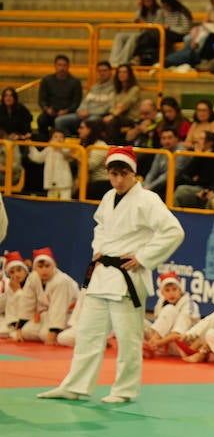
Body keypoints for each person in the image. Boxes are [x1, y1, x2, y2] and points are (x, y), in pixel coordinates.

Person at [37, 147, 185, 404]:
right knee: (87, 334)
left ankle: (125, 390)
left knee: (128, 339)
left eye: (122, 174)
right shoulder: (108, 197)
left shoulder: (147, 200)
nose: (117, 179)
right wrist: (98, 250)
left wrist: (144, 258)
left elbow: (174, 231)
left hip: (128, 278)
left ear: (133, 174)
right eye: (113, 174)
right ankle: (75, 386)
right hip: (102, 274)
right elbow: (101, 227)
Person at [19, 248, 78, 345]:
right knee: (26, 332)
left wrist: (53, 333)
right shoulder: (33, 278)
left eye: (47, 266)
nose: (44, 270)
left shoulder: (61, 281)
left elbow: (59, 308)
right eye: (40, 267)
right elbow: (27, 302)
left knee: (45, 335)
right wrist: (20, 328)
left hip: (69, 314)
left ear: (54, 266)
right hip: (48, 313)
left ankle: (60, 332)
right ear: (35, 268)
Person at [143, 272, 200, 358]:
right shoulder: (160, 302)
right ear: (162, 293)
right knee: (140, 322)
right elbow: (158, 328)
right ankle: (143, 347)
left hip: (180, 346)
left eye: (174, 289)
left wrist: (157, 342)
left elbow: (177, 334)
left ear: (180, 290)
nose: (171, 293)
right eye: (167, 290)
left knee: (170, 309)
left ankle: (151, 345)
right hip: (162, 344)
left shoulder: (189, 305)